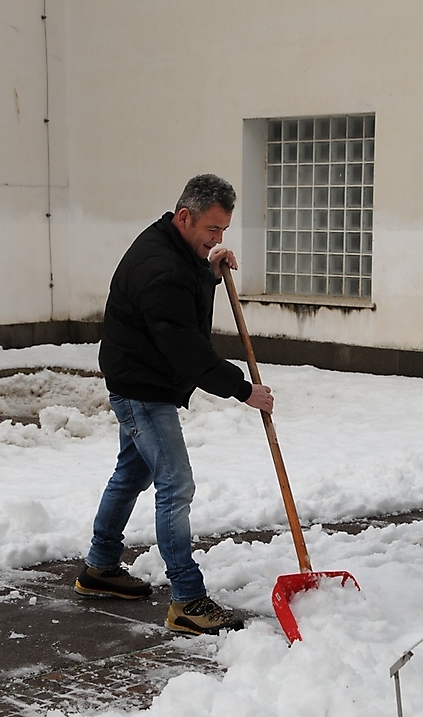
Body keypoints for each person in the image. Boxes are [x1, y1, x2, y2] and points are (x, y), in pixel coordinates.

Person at [75, 174, 273, 635]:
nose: (217, 238)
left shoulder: (173, 248)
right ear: (184, 217)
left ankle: (100, 567)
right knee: (176, 485)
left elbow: (184, 296)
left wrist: (209, 268)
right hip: (143, 389)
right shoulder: (160, 267)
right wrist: (243, 389)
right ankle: (186, 599)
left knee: (132, 472)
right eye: (212, 231)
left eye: (223, 231)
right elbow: (186, 347)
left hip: (142, 377)